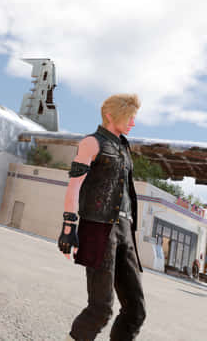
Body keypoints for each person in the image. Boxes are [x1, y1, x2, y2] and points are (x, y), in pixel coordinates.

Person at [57, 93, 145, 341]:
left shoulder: (124, 146)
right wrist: (68, 227)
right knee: (101, 308)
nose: (133, 123)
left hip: (125, 229)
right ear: (110, 115)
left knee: (136, 310)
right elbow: (74, 186)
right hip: (98, 228)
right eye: (130, 117)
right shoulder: (91, 143)